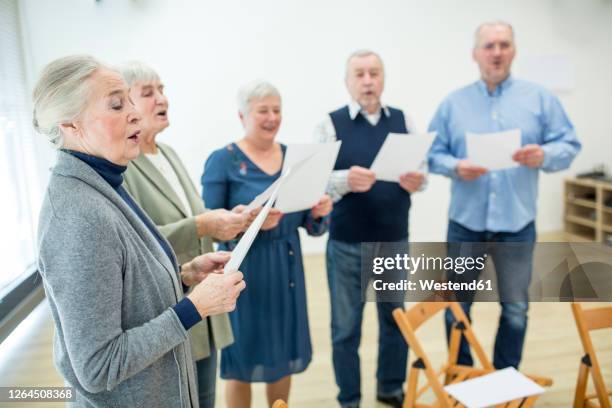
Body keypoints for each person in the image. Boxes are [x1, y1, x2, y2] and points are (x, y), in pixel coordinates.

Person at [34, 55, 246, 407]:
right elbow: (99, 366)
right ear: (71, 125)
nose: (134, 112)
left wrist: (184, 275)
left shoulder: (105, 184)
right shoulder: (77, 217)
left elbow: (123, 293)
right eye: (117, 104)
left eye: (130, 101)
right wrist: (194, 307)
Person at [427, 21, 581, 369]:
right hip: (465, 225)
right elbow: (431, 154)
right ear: (475, 53)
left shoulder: (539, 99)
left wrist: (545, 155)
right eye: (489, 46)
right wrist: (455, 166)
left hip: (517, 224)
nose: (496, 52)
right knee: (457, 307)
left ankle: (503, 380)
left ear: (513, 50)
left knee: (515, 309)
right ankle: (462, 375)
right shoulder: (453, 104)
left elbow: (569, 144)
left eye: (504, 45)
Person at [118, 61, 253, 408]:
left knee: (204, 398)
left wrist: (226, 219)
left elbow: (193, 215)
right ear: (125, 104)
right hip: (167, 307)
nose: (162, 98)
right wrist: (204, 225)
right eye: (148, 93)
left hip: (201, 303)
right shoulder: (125, 166)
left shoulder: (169, 154)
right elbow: (139, 240)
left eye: (162, 89)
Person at [201, 80, 333, 408]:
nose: (272, 117)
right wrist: (248, 220)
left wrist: (318, 211)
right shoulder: (223, 160)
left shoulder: (295, 159)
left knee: (281, 352)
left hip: (287, 269)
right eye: (263, 110)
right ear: (242, 115)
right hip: (242, 273)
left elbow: (311, 226)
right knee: (241, 358)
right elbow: (210, 228)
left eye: (277, 110)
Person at [314, 49, 426, 408]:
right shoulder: (330, 125)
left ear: (383, 78)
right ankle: (350, 398)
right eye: (359, 74)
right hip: (347, 245)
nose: (367, 80)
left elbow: (421, 176)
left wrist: (416, 181)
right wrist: (344, 180)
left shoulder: (404, 120)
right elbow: (313, 181)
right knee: (346, 330)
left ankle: (390, 387)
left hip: (395, 241)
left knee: (395, 321)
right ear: (347, 82)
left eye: (374, 73)